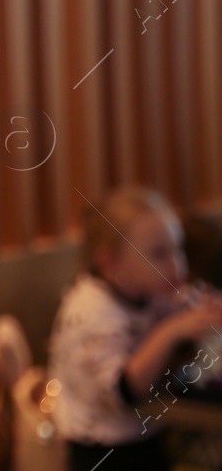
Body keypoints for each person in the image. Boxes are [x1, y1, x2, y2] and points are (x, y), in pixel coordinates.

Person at [48, 186, 222, 471]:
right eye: (159, 254)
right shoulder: (90, 313)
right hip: (102, 450)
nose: (176, 264)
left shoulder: (148, 290)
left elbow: (182, 312)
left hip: (146, 434)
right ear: (111, 263)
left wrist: (202, 311)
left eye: (178, 248)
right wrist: (173, 330)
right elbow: (123, 391)